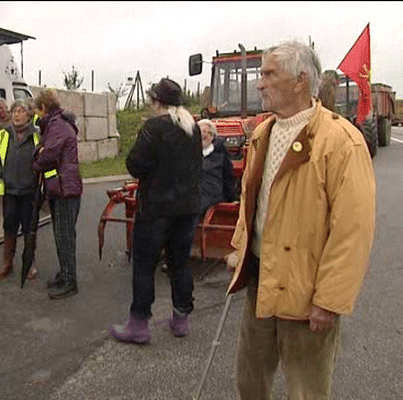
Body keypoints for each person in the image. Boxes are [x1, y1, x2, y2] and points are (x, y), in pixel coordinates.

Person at [226, 40, 375, 399]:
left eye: (269, 74)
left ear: (300, 81)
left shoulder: (341, 142)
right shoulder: (263, 134)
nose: (259, 83)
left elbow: (352, 232)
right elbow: (251, 201)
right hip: (260, 283)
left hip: (308, 297)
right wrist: (238, 249)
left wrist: (329, 300)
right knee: (250, 382)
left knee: (306, 391)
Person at [110, 78, 203, 343]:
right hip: (188, 208)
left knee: (144, 266)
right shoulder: (192, 127)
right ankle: (181, 318)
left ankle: (139, 324)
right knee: (179, 263)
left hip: (156, 210)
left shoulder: (154, 127)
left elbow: (134, 165)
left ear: (157, 102)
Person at [32, 89, 82, 300]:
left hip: (64, 189)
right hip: (62, 187)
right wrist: (40, 153)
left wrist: (37, 157)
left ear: (44, 108)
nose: (36, 114)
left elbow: (48, 155)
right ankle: (65, 273)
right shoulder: (56, 124)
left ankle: (70, 281)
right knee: (62, 234)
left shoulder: (57, 126)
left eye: (37, 109)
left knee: (64, 236)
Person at [0, 99, 40, 281]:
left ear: (28, 115)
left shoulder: (36, 136)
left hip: (29, 191)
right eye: (15, 112)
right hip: (10, 191)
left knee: (29, 229)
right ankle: (6, 263)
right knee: (9, 227)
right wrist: (3, 173)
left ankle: (29, 264)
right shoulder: (2, 135)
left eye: (21, 112)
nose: (17, 115)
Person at [197, 119, 238, 217]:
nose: (203, 135)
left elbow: (228, 177)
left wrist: (232, 199)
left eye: (207, 132)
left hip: (210, 195)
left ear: (213, 136)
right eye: (200, 132)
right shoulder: (189, 154)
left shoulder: (220, 156)